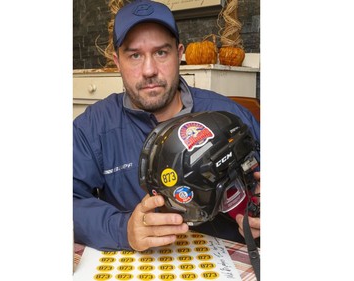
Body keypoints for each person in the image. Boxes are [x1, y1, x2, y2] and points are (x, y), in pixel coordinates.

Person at [73, 0, 260, 251]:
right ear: (117, 62)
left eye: (161, 52)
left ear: (179, 53)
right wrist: (123, 228)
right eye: (135, 55)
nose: (149, 70)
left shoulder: (230, 115)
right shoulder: (93, 127)